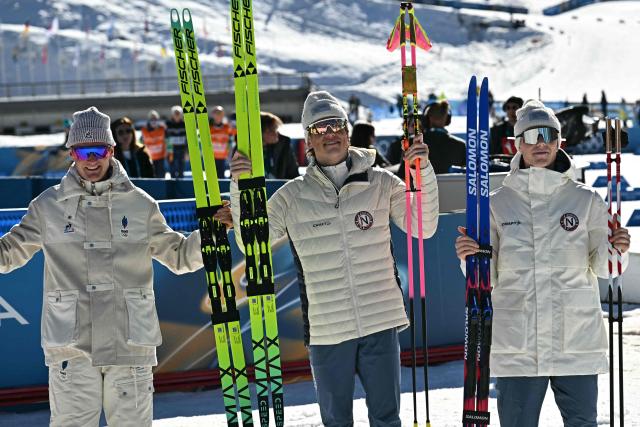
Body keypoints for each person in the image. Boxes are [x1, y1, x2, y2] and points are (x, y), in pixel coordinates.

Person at [0, 106, 232, 426]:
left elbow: (178, 257)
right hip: (72, 349)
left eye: (99, 150)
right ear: (72, 154)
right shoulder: (48, 207)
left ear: (111, 151)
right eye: (84, 151)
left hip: (129, 346)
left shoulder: (139, 204)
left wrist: (214, 232)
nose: (92, 160)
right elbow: (8, 254)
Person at [230, 91, 439, 427]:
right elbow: (252, 244)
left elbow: (424, 227)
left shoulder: (381, 181)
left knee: (387, 419)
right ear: (308, 141)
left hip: (380, 320)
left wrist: (423, 170)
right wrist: (241, 187)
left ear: (347, 130)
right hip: (328, 330)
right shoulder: (293, 195)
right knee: (336, 421)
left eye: (336, 125)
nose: (330, 134)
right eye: (319, 129)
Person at [454, 99, 631, 427]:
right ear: (517, 144)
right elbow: (485, 280)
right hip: (518, 345)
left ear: (560, 142)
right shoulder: (496, 205)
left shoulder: (586, 200)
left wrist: (617, 249)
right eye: (532, 135)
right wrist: (469, 257)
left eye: (548, 135)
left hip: (576, 341)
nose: (540, 143)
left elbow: (608, 269)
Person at [421, 100, 466, 174]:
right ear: (447, 119)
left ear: (428, 118)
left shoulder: (414, 142)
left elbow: (402, 176)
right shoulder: (461, 145)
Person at [260, 111, 299, 179]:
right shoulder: (247, 147)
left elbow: (293, 172)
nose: (276, 133)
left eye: (276, 129)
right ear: (261, 132)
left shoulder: (284, 144)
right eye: (272, 130)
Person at [209, 106, 236, 179]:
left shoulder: (227, 127)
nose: (218, 115)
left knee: (221, 177)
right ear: (212, 115)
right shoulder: (209, 128)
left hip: (223, 157)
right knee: (212, 177)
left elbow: (236, 133)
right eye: (216, 113)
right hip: (211, 157)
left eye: (220, 113)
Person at [141, 110, 168, 178]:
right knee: (152, 176)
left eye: (155, 119)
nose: (153, 121)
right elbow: (141, 143)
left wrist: (168, 152)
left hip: (161, 157)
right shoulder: (144, 130)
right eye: (152, 119)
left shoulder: (162, 129)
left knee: (161, 176)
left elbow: (168, 141)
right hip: (149, 158)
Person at [165, 106, 187, 178]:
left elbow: (187, 139)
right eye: (175, 113)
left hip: (182, 150)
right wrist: (166, 151)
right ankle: (173, 186)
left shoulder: (185, 124)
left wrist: (187, 152)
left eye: (178, 113)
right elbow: (165, 138)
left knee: (181, 169)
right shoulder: (168, 124)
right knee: (172, 169)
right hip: (171, 151)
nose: (177, 115)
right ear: (172, 114)